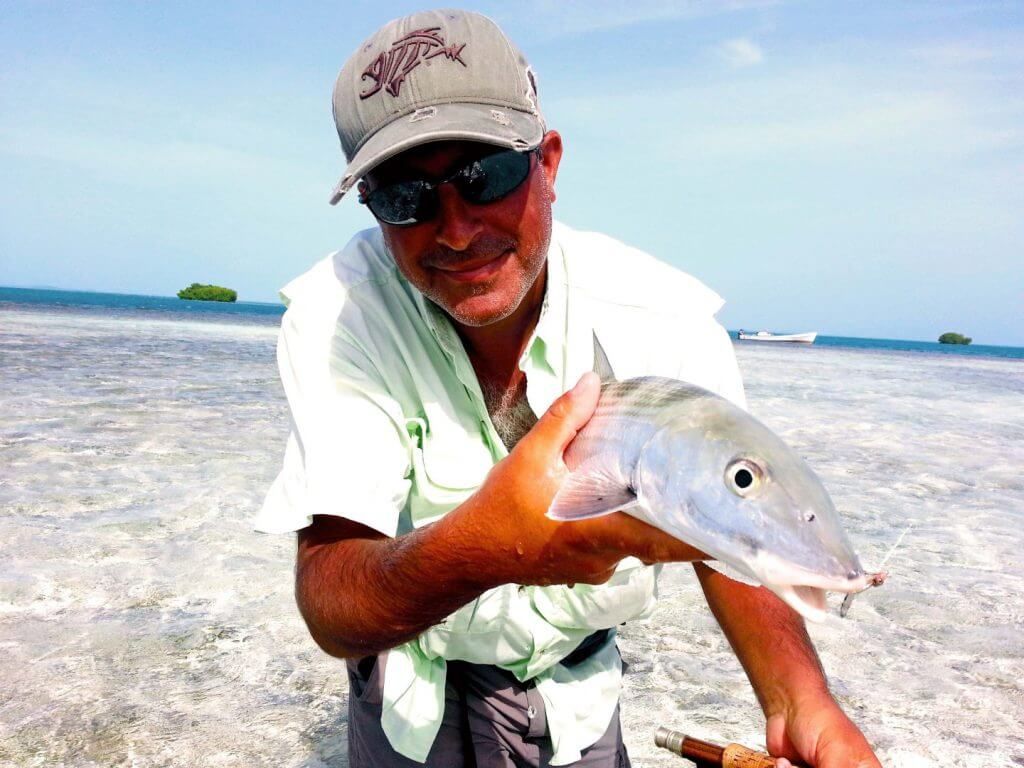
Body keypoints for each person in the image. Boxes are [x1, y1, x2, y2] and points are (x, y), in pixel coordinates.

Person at [256, 9, 881, 768]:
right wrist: (488, 549)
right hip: (406, 698)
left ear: (548, 163)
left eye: (484, 175)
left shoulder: (666, 319)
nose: (455, 230)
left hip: (577, 700)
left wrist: (798, 700)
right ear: (370, 205)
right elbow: (332, 603)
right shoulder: (339, 316)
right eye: (403, 197)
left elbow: (729, 528)